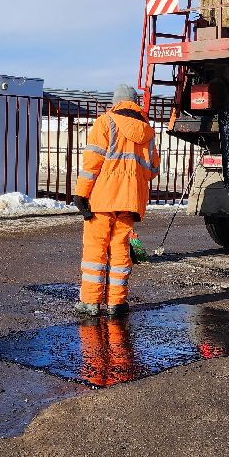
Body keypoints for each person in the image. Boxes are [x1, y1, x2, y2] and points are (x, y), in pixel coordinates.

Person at [72, 83, 159, 317]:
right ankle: (116, 304)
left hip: (102, 199)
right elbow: (152, 170)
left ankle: (90, 302)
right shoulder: (147, 131)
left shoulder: (105, 122)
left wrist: (81, 193)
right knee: (121, 250)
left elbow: (92, 165)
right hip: (131, 201)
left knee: (95, 250)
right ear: (136, 103)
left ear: (116, 102)